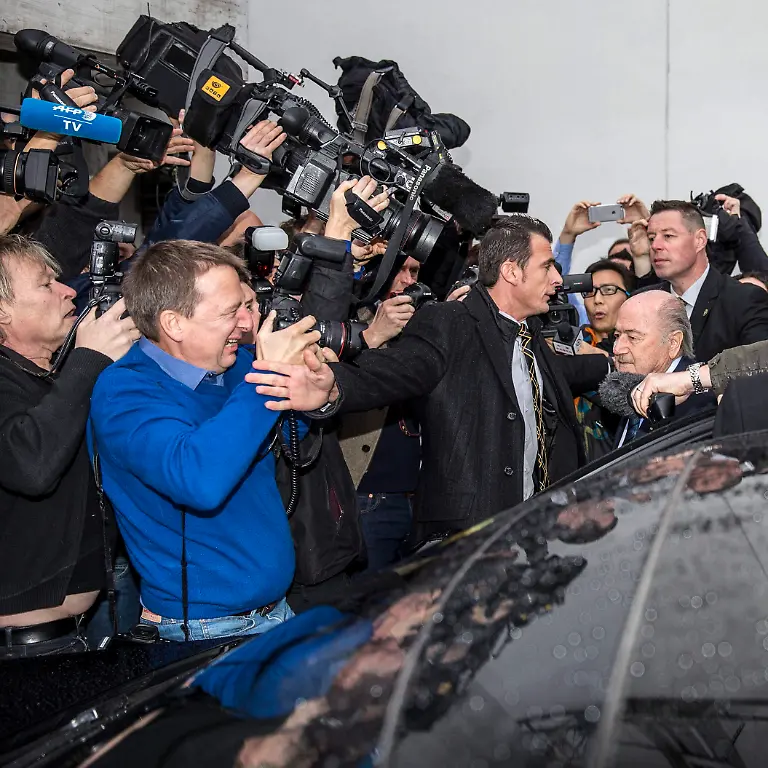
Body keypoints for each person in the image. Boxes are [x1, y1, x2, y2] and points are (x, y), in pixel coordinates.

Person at [247, 215, 612, 542]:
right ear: (512, 272)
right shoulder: (450, 321)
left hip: (532, 525)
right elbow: (397, 369)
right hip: (471, 534)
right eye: (547, 266)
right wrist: (334, 387)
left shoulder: (528, 330)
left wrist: (614, 367)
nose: (557, 278)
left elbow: (557, 373)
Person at [89, 241, 324, 641]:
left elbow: (288, 440)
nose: (246, 324)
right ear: (174, 323)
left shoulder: (237, 365)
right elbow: (198, 481)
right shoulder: (124, 391)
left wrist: (319, 398)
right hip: (203, 630)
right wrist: (266, 381)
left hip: (277, 610)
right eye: (230, 312)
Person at [0, 235, 139, 658]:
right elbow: (31, 465)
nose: (66, 290)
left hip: (75, 631)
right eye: (46, 284)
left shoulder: (47, 376)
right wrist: (89, 359)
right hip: (24, 651)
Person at [339, 255, 423, 571]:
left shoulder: (423, 329)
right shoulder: (350, 323)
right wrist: (374, 335)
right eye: (399, 270)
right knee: (365, 610)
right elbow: (337, 382)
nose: (408, 281)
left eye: (413, 271)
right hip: (366, 499)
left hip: (415, 499)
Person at [630, 200, 768, 361]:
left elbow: (759, 367)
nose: (655, 246)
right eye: (651, 238)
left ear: (700, 240)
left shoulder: (743, 300)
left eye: (668, 236)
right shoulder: (642, 300)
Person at [612, 291, 713, 447]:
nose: (617, 349)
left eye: (633, 337)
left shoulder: (701, 406)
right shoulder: (633, 384)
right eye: (617, 336)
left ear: (673, 343)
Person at [573, 259, 634, 460]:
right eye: (590, 291)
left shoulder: (641, 349)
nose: (597, 299)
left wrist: (595, 357)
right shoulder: (569, 344)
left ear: (629, 297)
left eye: (608, 290)